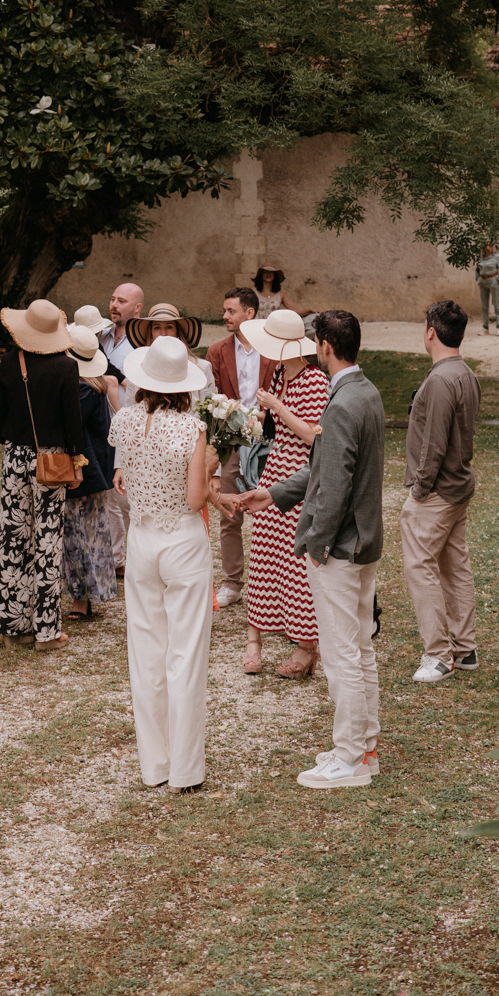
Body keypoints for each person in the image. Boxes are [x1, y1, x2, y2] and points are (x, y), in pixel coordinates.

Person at [234, 309, 384, 790]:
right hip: (364, 540)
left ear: (323, 345)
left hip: (340, 545)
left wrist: (316, 544)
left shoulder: (341, 403)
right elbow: (323, 464)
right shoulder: (365, 391)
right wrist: (274, 494)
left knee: (343, 655)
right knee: (358, 647)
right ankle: (365, 747)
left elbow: (335, 485)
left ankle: (351, 758)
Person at [108, 336, 213, 791]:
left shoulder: (126, 420)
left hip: (142, 541)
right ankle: (185, 770)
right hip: (183, 542)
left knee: (146, 654)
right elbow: (194, 499)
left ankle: (154, 766)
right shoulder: (192, 429)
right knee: (185, 655)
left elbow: (124, 485)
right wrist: (209, 466)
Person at [233, 311, 327, 678]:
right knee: (264, 557)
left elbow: (311, 436)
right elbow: (274, 427)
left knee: (296, 564)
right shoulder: (275, 373)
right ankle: (253, 638)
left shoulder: (316, 379)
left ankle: (306, 647)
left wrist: (277, 406)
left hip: (300, 477)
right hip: (273, 471)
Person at [0, 299, 86, 651]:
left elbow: (1, 417)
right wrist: (75, 461)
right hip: (53, 458)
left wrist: (15, 444)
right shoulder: (66, 367)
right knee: (48, 542)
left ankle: (11, 627)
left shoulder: (7, 361)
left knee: (14, 537)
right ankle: (46, 631)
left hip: (15, 454)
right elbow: (71, 419)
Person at [400, 300, 482, 684]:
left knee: (421, 568)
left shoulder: (439, 381)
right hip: (458, 487)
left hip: (437, 493)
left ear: (431, 332)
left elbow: (432, 446)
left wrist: (418, 491)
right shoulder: (466, 373)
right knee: (454, 567)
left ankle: (439, 655)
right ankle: (465, 649)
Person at [206, 286, 278, 607]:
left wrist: (267, 415)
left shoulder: (274, 349)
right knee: (230, 514)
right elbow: (214, 399)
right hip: (232, 443)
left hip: (269, 442)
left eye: (231, 311)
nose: (225, 316)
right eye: (224, 311)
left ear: (250, 313)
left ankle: (274, 585)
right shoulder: (216, 351)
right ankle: (233, 584)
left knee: (273, 511)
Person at [63, 323, 120, 620]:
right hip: (88, 469)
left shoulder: (84, 389)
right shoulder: (89, 385)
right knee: (83, 532)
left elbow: (66, 425)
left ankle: (82, 598)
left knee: (81, 535)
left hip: (85, 470)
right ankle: (82, 594)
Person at [96, 283, 144, 575]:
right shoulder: (99, 335)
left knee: (126, 494)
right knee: (108, 495)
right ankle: (116, 559)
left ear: (137, 308)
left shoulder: (140, 344)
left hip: (128, 423)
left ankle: (134, 555)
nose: (114, 305)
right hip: (97, 420)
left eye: (122, 301)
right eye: (112, 299)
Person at [127, 303, 203, 351]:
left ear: (178, 332)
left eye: (169, 327)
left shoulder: (201, 367)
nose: (163, 334)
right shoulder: (138, 368)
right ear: (151, 334)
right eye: (157, 328)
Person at [476, 247, 499, 333]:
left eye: (489, 245)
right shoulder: (480, 257)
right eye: (486, 245)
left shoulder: (497, 257)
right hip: (483, 282)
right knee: (484, 306)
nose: (487, 248)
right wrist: (478, 278)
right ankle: (485, 327)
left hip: (493, 281)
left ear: (492, 247)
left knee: (497, 304)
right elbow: (477, 269)